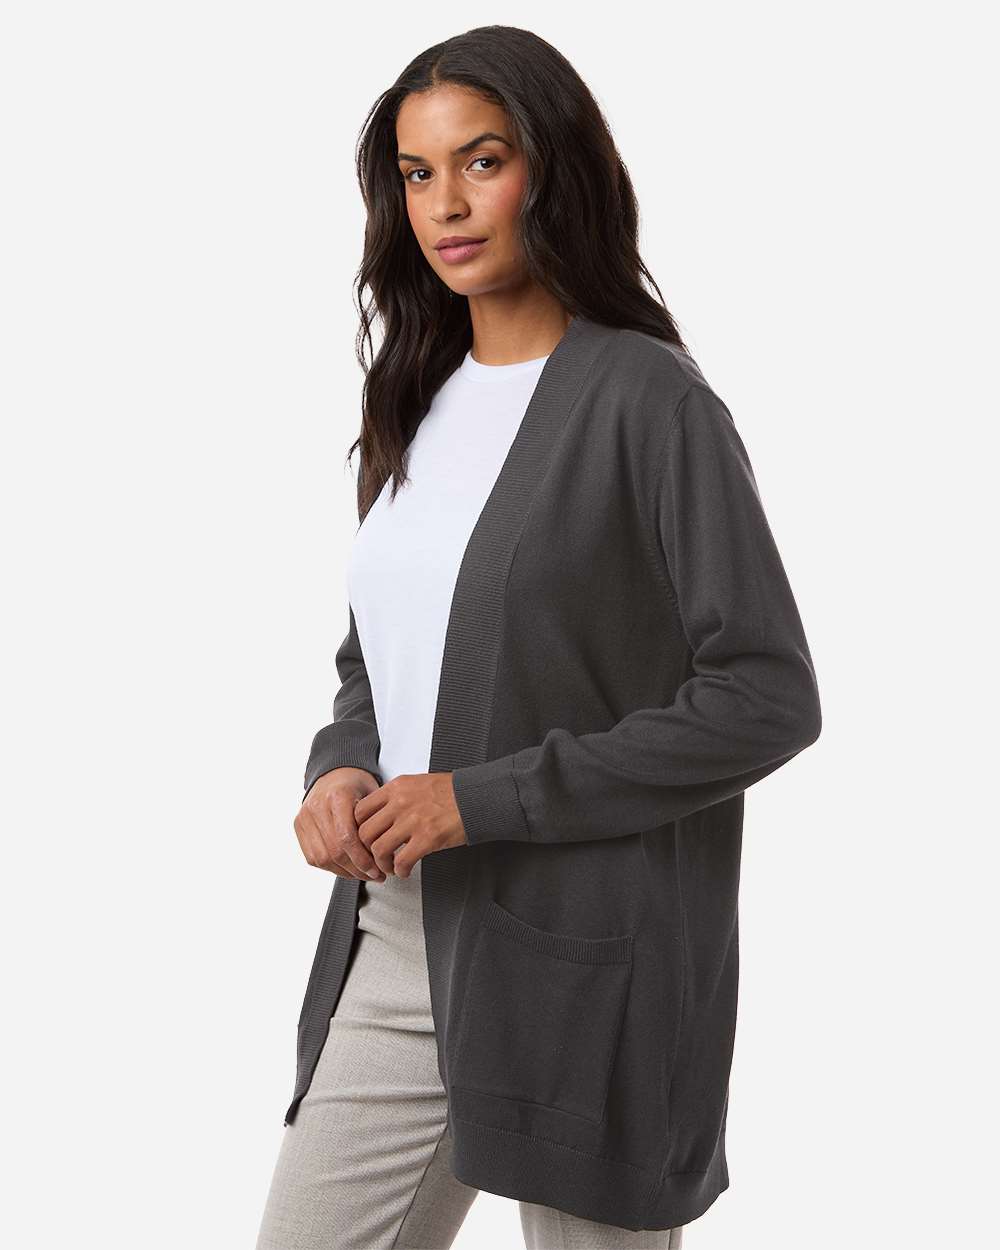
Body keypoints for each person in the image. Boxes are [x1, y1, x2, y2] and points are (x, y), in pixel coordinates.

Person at [255, 24, 821, 1250]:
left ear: (549, 169)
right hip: (399, 929)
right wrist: (339, 767)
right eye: (417, 173)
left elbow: (765, 692)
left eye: (482, 160)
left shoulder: (649, 401)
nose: (445, 205)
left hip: (578, 943)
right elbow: (379, 658)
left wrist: (479, 798)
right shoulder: (412, 399)